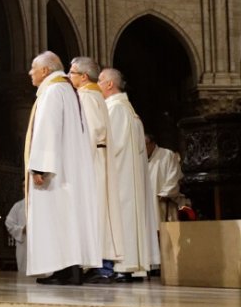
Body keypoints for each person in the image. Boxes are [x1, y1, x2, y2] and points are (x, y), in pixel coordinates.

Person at [23, 51, 101, 285]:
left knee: (57, 217)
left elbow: (48, 129)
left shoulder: (54, 91)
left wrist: (40, 167)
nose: (30, 72)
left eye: (33, 67)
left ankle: (62, 269)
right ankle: (69, 269)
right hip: (67, 168)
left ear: (45, 70)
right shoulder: (68, 91)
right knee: (67, 219)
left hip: (55, 172)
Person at [68, 57, 124, 284]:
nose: (68, 76)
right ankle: (97, 265)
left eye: (72, 72)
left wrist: (78, 164)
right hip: (96, 161)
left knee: (96, 213)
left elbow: (92, 131)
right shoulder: (93, 95)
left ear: (83, 77)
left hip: (92, 163)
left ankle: (101, 267)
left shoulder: (87, 97)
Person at [100, 68, 154, 279]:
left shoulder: (115, 109)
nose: (99, 85)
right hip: (127, 178)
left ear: (110, 84)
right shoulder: (130, 111)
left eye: (101, 81)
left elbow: (108, 145)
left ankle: (119, 267)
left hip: (119, 178)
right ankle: (128, 268)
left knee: (119, 220)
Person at [146, 133, 187, 224]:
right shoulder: (141, 159)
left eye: (145, 145)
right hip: (147, 201)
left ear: (152, 143)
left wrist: (165, 193)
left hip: (163, 200)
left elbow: (174, 175)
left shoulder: (167, 155)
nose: (143, 148)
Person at [4, 197, 27, 274]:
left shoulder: (43, 204)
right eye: (23, 186)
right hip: (24, 244)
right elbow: (9, 223)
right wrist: (22, 229)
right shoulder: (18, 206)